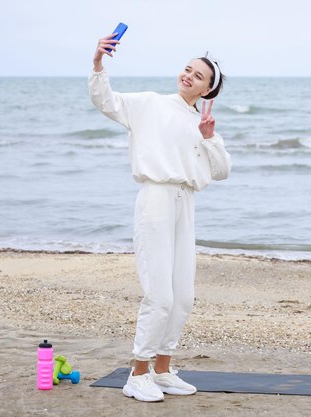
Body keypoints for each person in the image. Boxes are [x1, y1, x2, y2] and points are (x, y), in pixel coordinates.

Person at [88, 32, 232, 402]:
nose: (189, 76)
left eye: (198, 76)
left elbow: (221, 172)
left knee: (182, 296)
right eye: (187, 70)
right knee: (159, 295)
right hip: (156, 198)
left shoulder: (201, 123)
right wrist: (98, 63)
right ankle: (138, 373)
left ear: (208, 90)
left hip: (186, 203)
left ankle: (164, 370)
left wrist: (210, 138)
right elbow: (106, 101)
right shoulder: (151, 104)